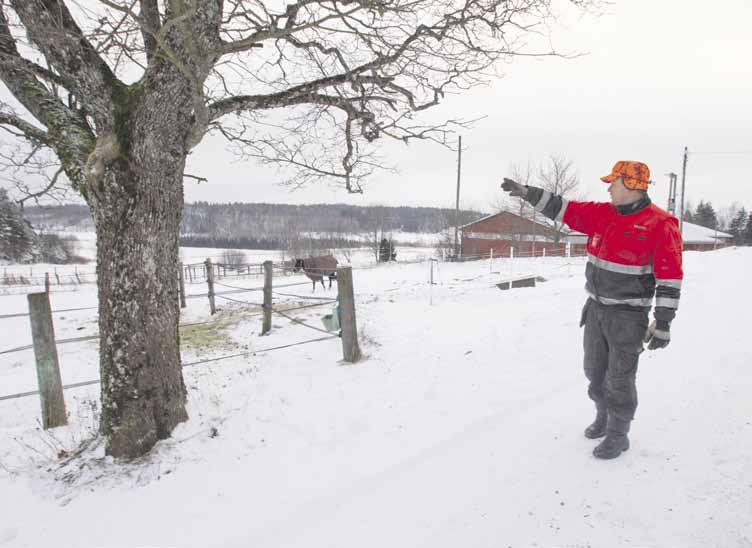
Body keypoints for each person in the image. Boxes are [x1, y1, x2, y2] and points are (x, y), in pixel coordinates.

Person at [501, 161, 683, 459]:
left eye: (614, 182)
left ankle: (618, 433)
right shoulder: (602, 214)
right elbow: (565, 209)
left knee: (620, 378)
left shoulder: (661, 224)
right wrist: (527, 193)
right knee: (594, 371)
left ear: (632, 185)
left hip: (627, 316)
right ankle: (603, 416)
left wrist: (662, 322)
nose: (609, 187)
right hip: (596, 310)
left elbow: (670, 277)